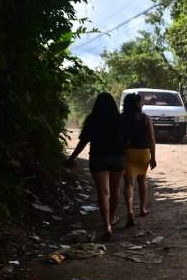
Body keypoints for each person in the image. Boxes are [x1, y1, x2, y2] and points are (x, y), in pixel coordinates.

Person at [66, 93, 124, 241]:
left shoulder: (92, 119)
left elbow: (83, 142)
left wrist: (72, 158)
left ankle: (107, 227)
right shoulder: (119, 119)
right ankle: (112, 218)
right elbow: (127, 138)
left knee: (103, 193)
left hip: (98, 157)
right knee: (115, 190)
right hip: (118, 157)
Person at [121, 93, 156, 227]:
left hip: (127, 152)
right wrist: (153, 157)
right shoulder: (146, 119)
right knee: (142, 180)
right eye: (141, 102)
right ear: (138, 104)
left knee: (129, 184)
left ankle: (130, 211)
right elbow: (152, 139)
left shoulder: (121, 118)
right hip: (143, 153)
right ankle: (142, 208)